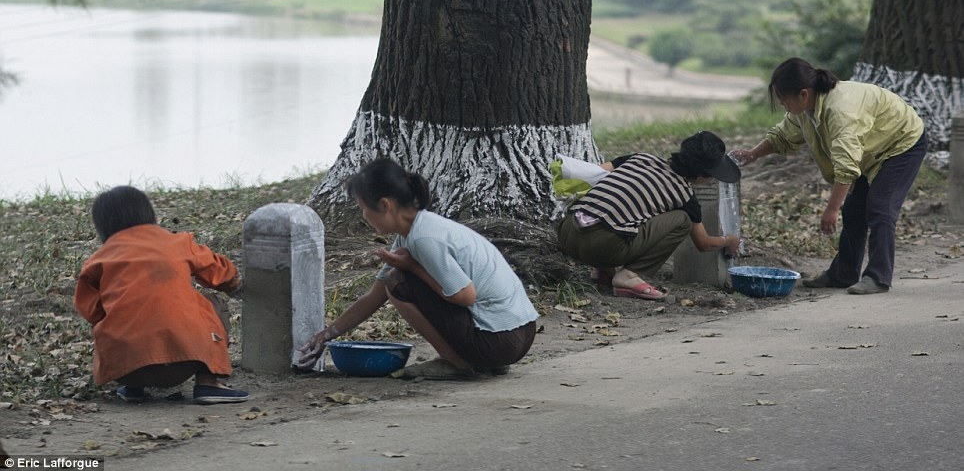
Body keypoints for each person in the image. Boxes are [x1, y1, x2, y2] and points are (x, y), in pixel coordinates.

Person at [297, 158, 539, 380]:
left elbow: (466, 296)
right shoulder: (417, 230)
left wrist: (413, 268)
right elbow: (373, 297)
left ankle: (456, 364)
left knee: (398, 282)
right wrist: (326, 335)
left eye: (363, 207)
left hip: (500, 342)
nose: (363, 216)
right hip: (520, 335)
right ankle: (482, 362)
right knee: (396, 280)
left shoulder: (424, 239)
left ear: (384, 205)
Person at [731, 58, 926, 295]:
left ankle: (878, 277)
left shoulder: (840, 110)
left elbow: (846, 166)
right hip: (871, 148)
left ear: (804, 93)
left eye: (784, 99)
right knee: (854, 210)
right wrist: (752, 154)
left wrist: (831, 209)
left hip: (901, 142)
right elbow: (784, 135)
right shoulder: (806, 109)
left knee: (880, 207)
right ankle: (843, 274)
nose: (783, 105)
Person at [74, 186, 249, 404]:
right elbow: (222, 273)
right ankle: (209, 382)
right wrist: (234, 285)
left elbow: (91, 311)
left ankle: (133, 389)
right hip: (187, 359)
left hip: (126, 367)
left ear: (102, 225)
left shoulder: (97, 261)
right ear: (149, 213)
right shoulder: (178, 243)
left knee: (118, 316)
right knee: (214, 303)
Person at [556, 131, 743, 300]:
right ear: (702, 174)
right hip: (604, 247)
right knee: (682, 221)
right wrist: (730, 240)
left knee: (624, 213)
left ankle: (604, 270)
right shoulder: (685, 195)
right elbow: (704, 243)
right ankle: (628, 276)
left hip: (567, 231)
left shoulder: (640, 158)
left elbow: (598, 172)